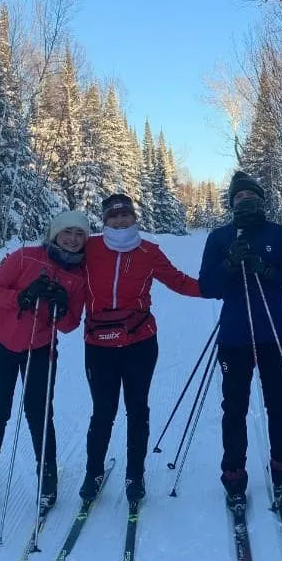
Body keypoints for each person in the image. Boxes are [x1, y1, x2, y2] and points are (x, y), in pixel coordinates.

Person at [80, 193, 201, 503]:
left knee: (137, 410)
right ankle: (93, 471)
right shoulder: (89, 247)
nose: (120, 220)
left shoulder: (149, 251)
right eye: (113, 216)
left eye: (125, 215)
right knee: (103, 412)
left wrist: (217, 287)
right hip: (98, 344)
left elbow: (179, 281)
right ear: (104, 220)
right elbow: (57, 259)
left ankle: (135, 474)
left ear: (134, 218)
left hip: (140, 342)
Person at [199, 172, 282, 506]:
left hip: (274, 333)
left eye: (252, 197)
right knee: (234, 406)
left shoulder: (279, 234)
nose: (246, 202)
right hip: (234, 336)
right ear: (232, 204)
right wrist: (230, 262)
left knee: (278, 402)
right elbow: (207, 287)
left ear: (262, 201)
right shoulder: (220, 237)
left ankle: (281, 469)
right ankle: (233, 474)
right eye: (239, 198)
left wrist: (267, 269)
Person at [0, 211, 91, 512]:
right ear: (54, 233)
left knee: (39, 412)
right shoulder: (26, 256)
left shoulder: (79, 275)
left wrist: (62, 305)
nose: (73, 239)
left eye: (80, 234)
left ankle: (47, 473)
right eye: (68, 232)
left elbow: (69, 325)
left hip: (39, 347)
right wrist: (23, 296)